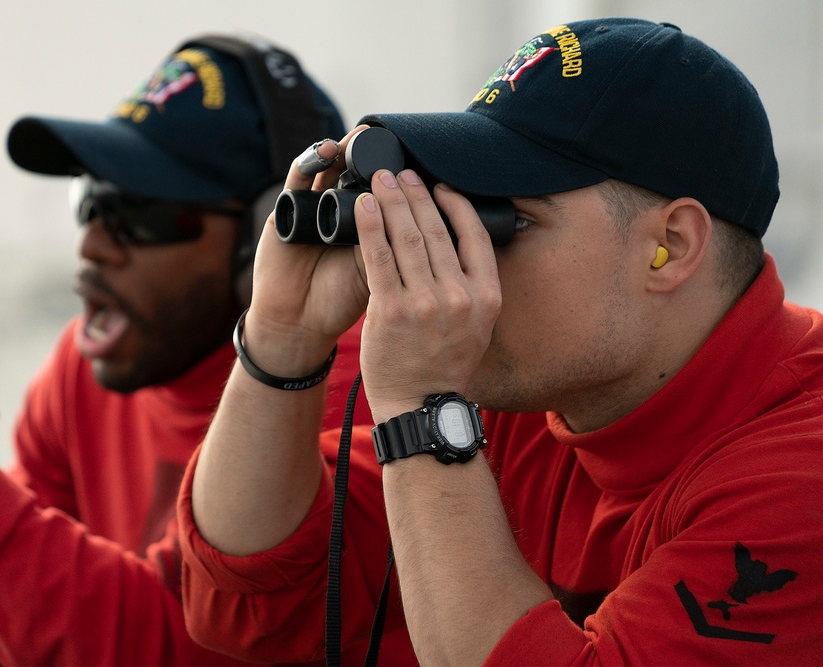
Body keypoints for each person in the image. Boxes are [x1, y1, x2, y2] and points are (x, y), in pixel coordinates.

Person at [176, 18, 822, 665]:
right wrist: (283, 333)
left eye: (505, 219)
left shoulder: (800, 480)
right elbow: (250, 599)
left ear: (669, 248)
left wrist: (422, 405)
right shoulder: (535, 405)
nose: (465, 255)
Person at [0, 35, 393, 666]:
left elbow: (189, 643)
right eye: (88, 201)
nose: (92, 244)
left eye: (140, 212)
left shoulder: (347, 373)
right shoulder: (79, 372)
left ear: (272, 226)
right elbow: (15, 628)